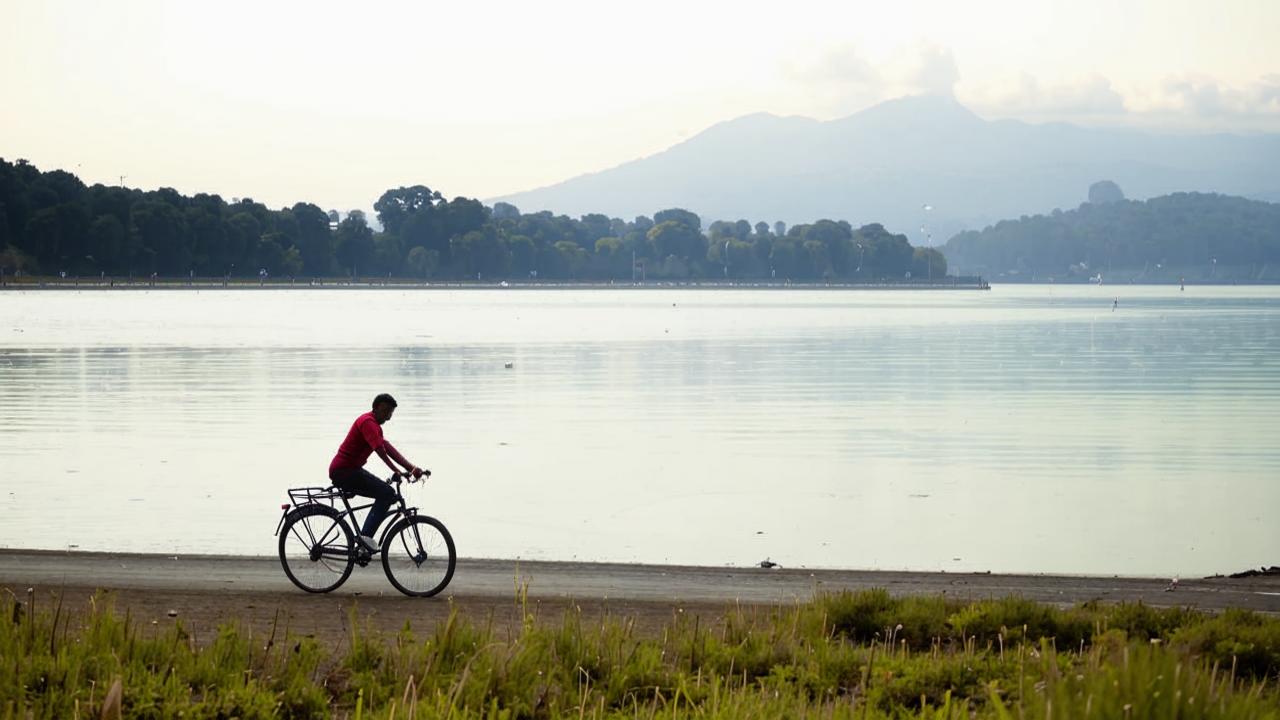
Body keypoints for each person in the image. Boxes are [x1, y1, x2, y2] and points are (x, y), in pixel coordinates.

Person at [329, 393, 428, 551]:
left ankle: (364, 541)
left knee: (386, 493)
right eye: (385, 411)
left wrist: (411, 468)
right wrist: (396, 470)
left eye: (390, 413)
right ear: (375, 408)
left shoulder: (374, 426)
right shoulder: (367, 422)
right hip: (344, 471)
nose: (388, 416)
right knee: (387, 494)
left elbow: (387, 448)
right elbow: (380, 451)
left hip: (352, 470)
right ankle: (364, 542)